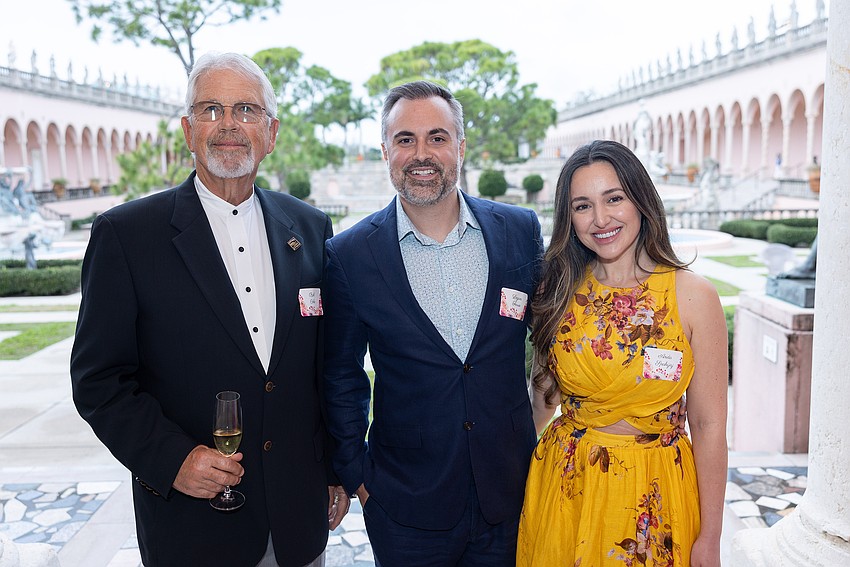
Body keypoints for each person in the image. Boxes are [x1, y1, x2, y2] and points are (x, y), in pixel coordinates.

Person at [70, 52, 349, 567]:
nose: (228, 125)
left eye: (245, 110)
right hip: (192, 530)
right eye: (210, 109)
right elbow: (98, 381)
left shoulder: (310, 228)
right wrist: (172, 459)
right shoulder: (127, 236)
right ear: (187, 128)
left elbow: (324, 366)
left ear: (271, 131)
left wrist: (334, 467)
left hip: (298, 520)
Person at [322, 80, 543, 566]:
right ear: (385, 151)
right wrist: (356, 473)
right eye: (405, 140)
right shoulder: (350, 254)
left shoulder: (520, 231)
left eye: (437, 138)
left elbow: (555, 340)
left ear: (460, 147)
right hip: (404, 509)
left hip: (511, 495)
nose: (422, 154)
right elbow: (341, 375)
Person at [517, 140, 727, 566]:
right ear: (568, 217)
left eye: (614, 198)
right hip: (565, 488)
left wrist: (711, 537)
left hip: (658, 491)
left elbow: (708, 425)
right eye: (582, 206)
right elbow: (542, 400)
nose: (600, 219)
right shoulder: (556, 291)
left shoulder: (693, 296)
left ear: (641, 200)